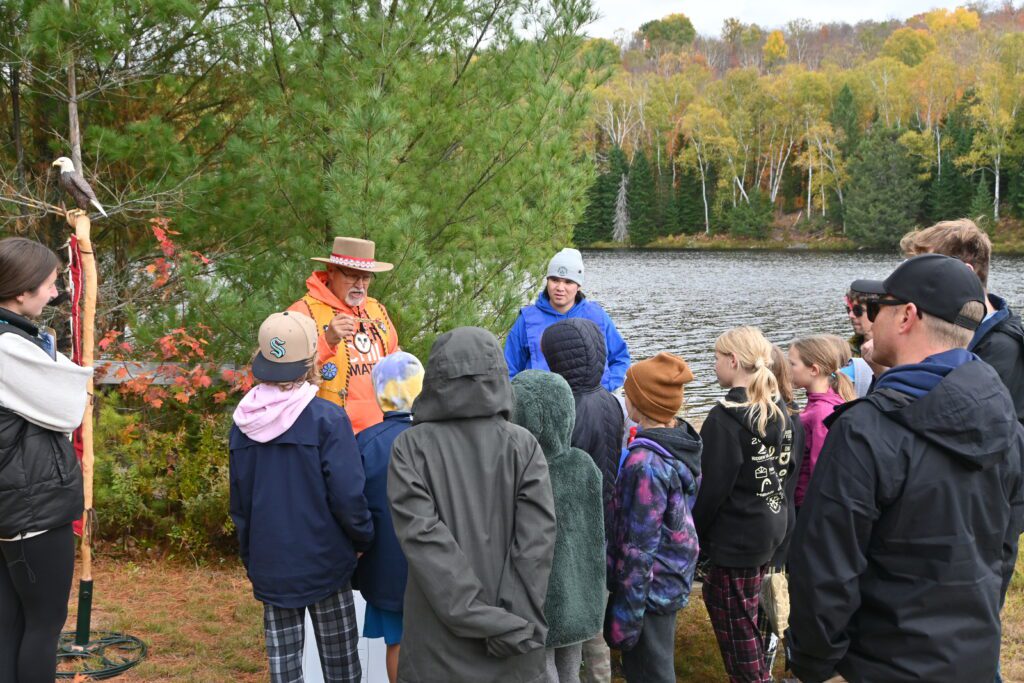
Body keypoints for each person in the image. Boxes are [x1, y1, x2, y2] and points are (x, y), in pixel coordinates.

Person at [786, 254, 1024, 682]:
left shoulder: (865, 430)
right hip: (972, 661)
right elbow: (1002, 551)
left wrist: (816, 667)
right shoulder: (1005, 420)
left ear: (907, 316)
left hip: (878, 665)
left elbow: (824, 567)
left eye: (875, 308)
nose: (867, 319)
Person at [388, 327, 556, 683]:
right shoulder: (523, 445)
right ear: (498, 375)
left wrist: (481, 619)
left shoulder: (409, 448)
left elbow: (426, 545)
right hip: (514, 642)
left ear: (434, 378)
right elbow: (535, 549)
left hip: (438, 647)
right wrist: (510, 625)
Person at [230, 311, 374, 683]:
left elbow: (240, 503)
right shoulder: (327, 418)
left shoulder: (243, 421)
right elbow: (348, 495)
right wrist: (361, 538)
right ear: (311, 360)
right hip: (327, 562)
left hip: (271, 561)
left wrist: (251, 556)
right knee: (341, 668)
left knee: (285, 670)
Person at [0, 237, 92, 683]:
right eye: (50, 284)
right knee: (43, 626)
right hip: (30, 511)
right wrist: (82, 386)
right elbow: (67, 408)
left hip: (15, 506)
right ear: (20, 291)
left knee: (11, 624)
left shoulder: (13, 339)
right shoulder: (8, 349)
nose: (55, 293)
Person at [693, 326, 790, 683]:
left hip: (738, 538)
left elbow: (711, 491)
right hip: (770, 525)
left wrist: (694, 535)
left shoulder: (723, 420)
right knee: (749, 615)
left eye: (717, 358)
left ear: (733, 361)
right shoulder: (774, 406)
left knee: (736, 628)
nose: (714, 364)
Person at [605, 352, 702, 683]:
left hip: (649, 590)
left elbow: (638, 548)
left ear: (640, 403)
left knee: (651, 671)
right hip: (670, 575)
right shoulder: (679, 442)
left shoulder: (645, 464)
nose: (624, 397)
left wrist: (625, 619)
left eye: (627, 393)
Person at [541, 317, 625, 683]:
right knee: (594, 619)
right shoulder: (610, 402)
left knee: (572, 618)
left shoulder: (568, 409)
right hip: (603, 519)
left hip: (574, 525)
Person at [511, 370, 605, 683]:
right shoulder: (584, 464)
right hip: (582, 591)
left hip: (543, 597)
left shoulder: (523, 472)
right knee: (569, 667)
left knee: (542, 669)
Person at [901, 219, 1024, 423]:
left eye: (928, 273)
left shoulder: (1003, 349)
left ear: (966, 272)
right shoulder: (961, 332)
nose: (917, 284)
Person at [352, 352, 424, 683]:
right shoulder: (437, 439)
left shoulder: (365, 443)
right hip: (435, 561)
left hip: (386, 564)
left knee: (396, 642)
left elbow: (354, 505)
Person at [288, 236, 399, 434]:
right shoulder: (302, 313)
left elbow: (396, 364)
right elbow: (283, 377)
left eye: (366, 277)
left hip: (379, 434)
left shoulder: (377, 311)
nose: (360, 285)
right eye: (352, 276)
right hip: (328, 435)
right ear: (331, 271)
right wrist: (326, 342)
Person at [504, 248, 630, 391]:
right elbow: (509, 369)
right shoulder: (527, 319)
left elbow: (620, 359)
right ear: (547, 280)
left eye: (568, 282)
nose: (560, 288)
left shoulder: (598, 316)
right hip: (543, 405)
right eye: (555, 280)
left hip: (593, 402)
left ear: (578, 286)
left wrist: (607, 389)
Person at [788, 335, 856, 511]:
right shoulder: (828, 401)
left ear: (814, 370)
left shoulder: (821, 413)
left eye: (793, 364)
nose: (788, 370)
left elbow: (821, 468)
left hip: (807, 506)